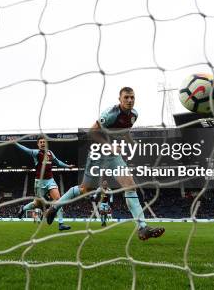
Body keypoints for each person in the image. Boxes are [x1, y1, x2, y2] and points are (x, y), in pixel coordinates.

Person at [45, 87, 165, 241]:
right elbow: (92, 132)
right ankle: (55, 207)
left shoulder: (134, 115)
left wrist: (133, 144)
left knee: (130, 185)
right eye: (126, 97)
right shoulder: (110, 114)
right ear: (120, 99)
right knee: (84, 189)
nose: (130, 100)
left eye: (132, 97)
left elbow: (125, 131)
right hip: (98, 153)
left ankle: (142, 228)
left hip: (114, 156)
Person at [13, 135, 74, 231]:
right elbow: (26, 150)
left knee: (58, 200)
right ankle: (23, 208)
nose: (42, 143)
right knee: (37, 204)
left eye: (44, 142)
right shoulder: (37, 153)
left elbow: (57, 162)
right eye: (40, 142)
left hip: (50, 180)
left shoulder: (50, 153)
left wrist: (68, 166)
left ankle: (61, 224)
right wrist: (15, 143)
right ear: (38, 144)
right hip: (39, 183)